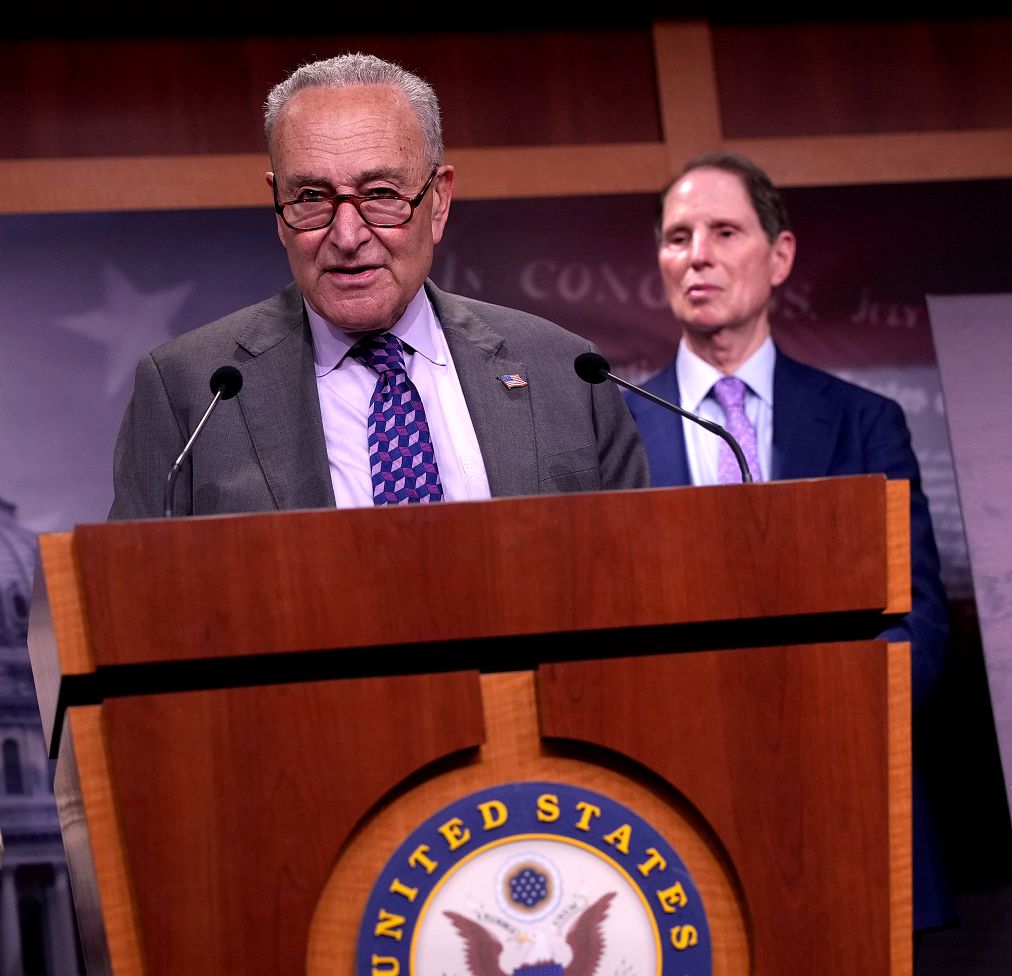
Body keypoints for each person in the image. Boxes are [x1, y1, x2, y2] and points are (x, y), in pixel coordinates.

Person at [625, 152, 955, 927]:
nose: (697, 254)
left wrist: (812, 726)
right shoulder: (616, 428)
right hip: (679, 807)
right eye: (677, 237)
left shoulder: (863, 422)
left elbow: (920, 623)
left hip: (849, 787)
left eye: (724, 231)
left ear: (780, 256)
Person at [109, 53, 646, 519]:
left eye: (382, 193)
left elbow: (633, 577)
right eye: (312, 197)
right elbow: (139, 602)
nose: (347, 236)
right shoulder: (191, 389)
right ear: (277, 208)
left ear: (438, 200)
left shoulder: (569, 373)